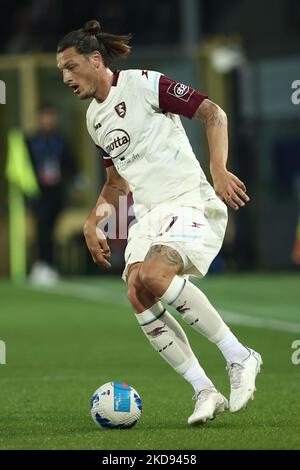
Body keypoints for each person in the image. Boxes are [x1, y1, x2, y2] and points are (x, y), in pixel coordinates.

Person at [57, 20, 262, 426]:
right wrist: (93, 222)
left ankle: (240, 357)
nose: (65, 78)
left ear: (96, 60)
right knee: (137, 290)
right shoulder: (94, 120)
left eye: (71, 67)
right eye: (61, 71)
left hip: (187, 201)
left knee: (154, 274)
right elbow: (116, 184)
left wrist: (218, 168)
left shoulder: (144, 84)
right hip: (148, 216)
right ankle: (205, 390)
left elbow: (212, 112)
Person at [27, 105, 75, 284]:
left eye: (51, 116)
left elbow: (71, 164)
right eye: (44, 116)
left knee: (53, 230)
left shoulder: (62, 140)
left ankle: (50, 265)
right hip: (38, 192)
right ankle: (41, 264)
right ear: (39, 119)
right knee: (41, 229)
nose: (48, 120)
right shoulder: (31, 141)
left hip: (56, 192)